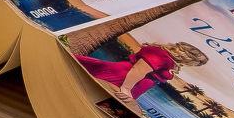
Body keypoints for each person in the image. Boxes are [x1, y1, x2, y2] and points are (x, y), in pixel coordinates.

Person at [74, 39, 209, 101]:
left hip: (126, 80)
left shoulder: (167, 58)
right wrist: (126, 88)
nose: (194, 65)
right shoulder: (162, 56)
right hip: (122, 78)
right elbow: (139, 69)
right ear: (190, 58)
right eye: (196, 63)